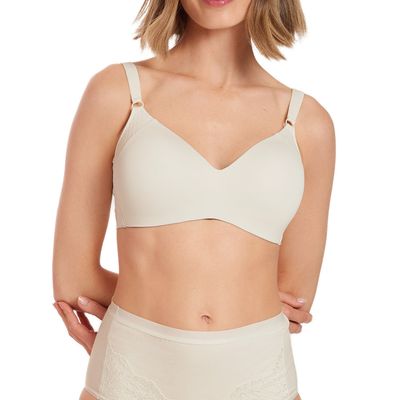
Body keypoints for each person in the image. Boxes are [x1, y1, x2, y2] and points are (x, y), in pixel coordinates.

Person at [52, 0, 336, 399]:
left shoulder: (308, 123)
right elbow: (74, 278)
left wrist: (165, 301)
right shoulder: (117, 92)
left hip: (261, 381)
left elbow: (294, 299)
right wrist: (164, 314)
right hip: (131, 375)